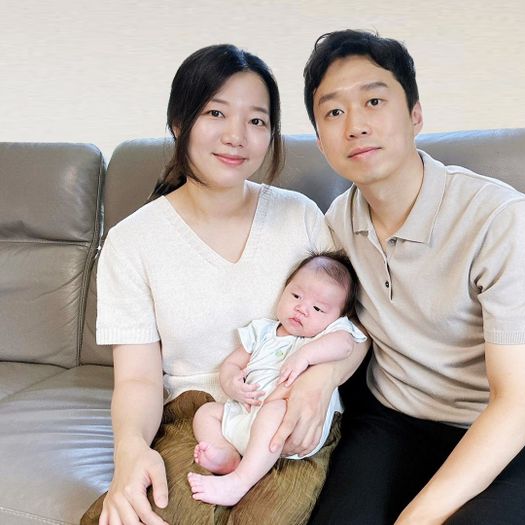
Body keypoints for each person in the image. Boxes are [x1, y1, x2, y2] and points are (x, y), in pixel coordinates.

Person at [81, 44, 368, 525]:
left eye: (256, 120)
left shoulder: (299, 216)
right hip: (197, 418)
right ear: (179, 123)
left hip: (292, 408)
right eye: (216, 113)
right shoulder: (132, 242)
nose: (237, 136)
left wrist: (321, 381)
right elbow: (137, 378)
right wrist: (130, 451)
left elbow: (355, 328)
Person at [302, 30, 525, 524]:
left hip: (508, 435)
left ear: (415, 115)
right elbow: (344, 328)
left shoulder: (499, 218)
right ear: (321, 142)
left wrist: (416, 518)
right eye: (334, 112)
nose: (356, 126)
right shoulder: (337, 223)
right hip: (390, 424)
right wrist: (321, 377)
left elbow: (516, 404)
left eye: (373, 101)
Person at [188, 251, 366, 506]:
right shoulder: (263, 331)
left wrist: (306, 355)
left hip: (290, 426)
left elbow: (346, 345)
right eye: (296, 296)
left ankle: (239, 481)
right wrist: (232, 383)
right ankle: (228, 456)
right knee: (206, 413)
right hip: (246, 414)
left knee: (274, 411)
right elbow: (233, 364)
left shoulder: (329, 334)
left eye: (318, 308)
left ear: (337, 317)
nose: (302, 308)